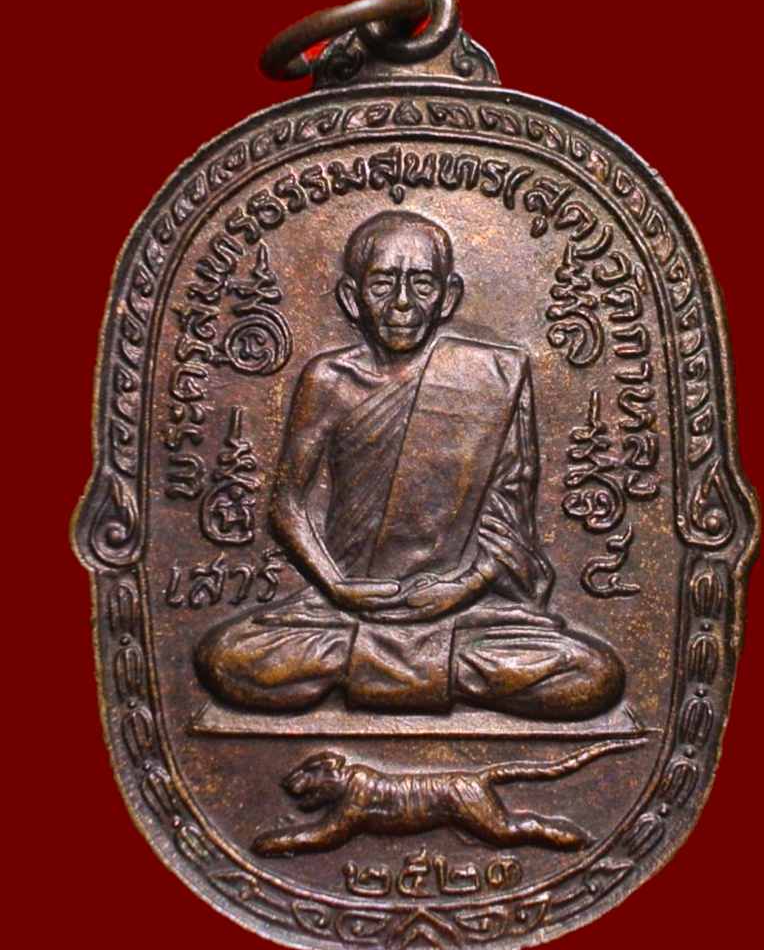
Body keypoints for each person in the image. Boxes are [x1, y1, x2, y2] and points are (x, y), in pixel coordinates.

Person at [195, 210, 624, 718]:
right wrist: (336, 586)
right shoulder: (328, 380)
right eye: (383, 284)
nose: (402, 302)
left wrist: (460, 588)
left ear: (449, 296)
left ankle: (368, 668)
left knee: (594, 674)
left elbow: (509, 523)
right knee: (224, 659)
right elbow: (288, 504)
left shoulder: (493, 376)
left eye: (421, 284)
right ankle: (435, 672)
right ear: (351, 298)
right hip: (346, 610)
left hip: (464, 614)